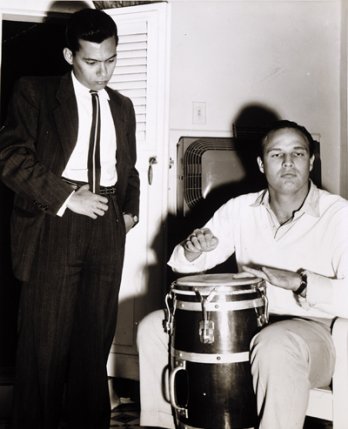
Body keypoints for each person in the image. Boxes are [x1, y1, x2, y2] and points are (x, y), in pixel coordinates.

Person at [137, 120, 348, 429]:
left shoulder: (340, 216)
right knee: (155, 326)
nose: (288, 163)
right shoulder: (240, 209)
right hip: (246, 327)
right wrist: (194, 250)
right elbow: (184, 262)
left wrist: (300, 282)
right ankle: (163, 425)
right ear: (262, 164)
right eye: (277, 155)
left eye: (298, 154)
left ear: (311, 161)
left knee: (275, 343)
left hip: (320, 336)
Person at [0, 8, 139, 429]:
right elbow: (10, 158)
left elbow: (126, 166)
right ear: (68, 55)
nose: (103, 72)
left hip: (108, 223)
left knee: (93, 346)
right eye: (92, 62)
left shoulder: (124, 105)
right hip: (55, 223)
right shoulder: (34, 93)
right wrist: (67, 196)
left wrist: (129, 209)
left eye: (111, 60)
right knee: (44, 348)